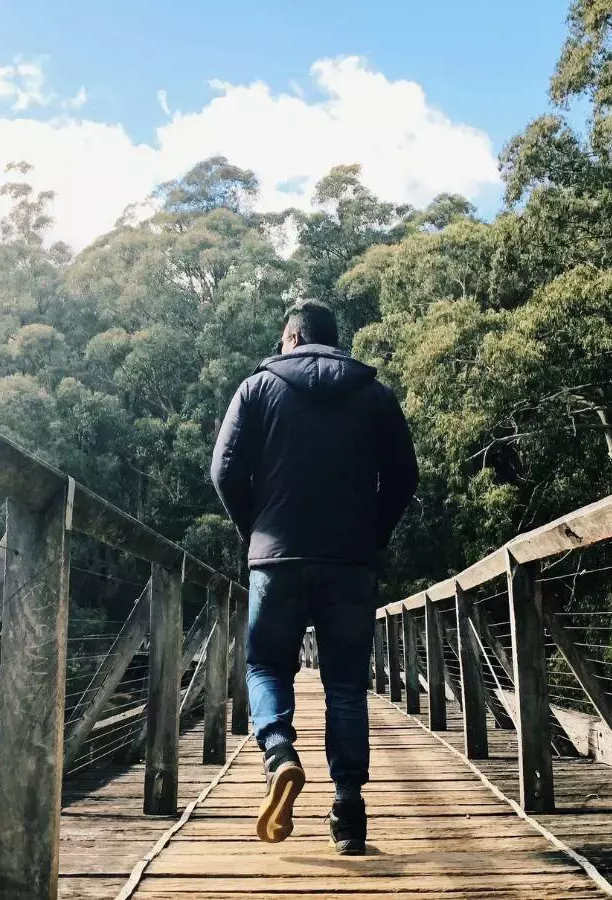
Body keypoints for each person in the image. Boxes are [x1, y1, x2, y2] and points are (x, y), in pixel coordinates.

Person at [209, 299, 418, 855]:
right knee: (346, 685)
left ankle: (278, 752)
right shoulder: (374, 394)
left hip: (275, 559)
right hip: (350, 563)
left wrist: (254, 529)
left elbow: (224, 470)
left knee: (264, 664)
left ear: (293, 339)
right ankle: (349, 813)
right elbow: (404, 476)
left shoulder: (256, 389)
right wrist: (374, 534)